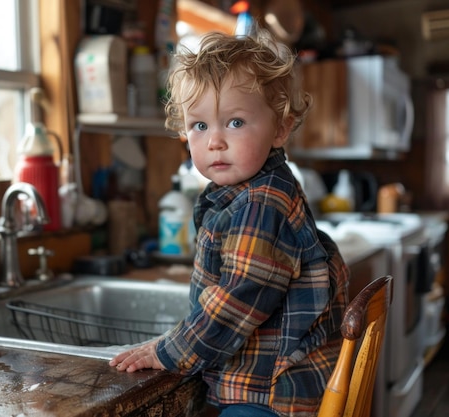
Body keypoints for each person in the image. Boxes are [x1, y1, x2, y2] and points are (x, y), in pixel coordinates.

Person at [109, 28, 349, 417]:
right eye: (199, 126)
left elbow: (237, 298)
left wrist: (168, 350)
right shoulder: (249, 191)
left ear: (280, 128)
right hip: (263, 384)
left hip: (268, 396)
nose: (214, 141)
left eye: (235, 123)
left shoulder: (261, 203)